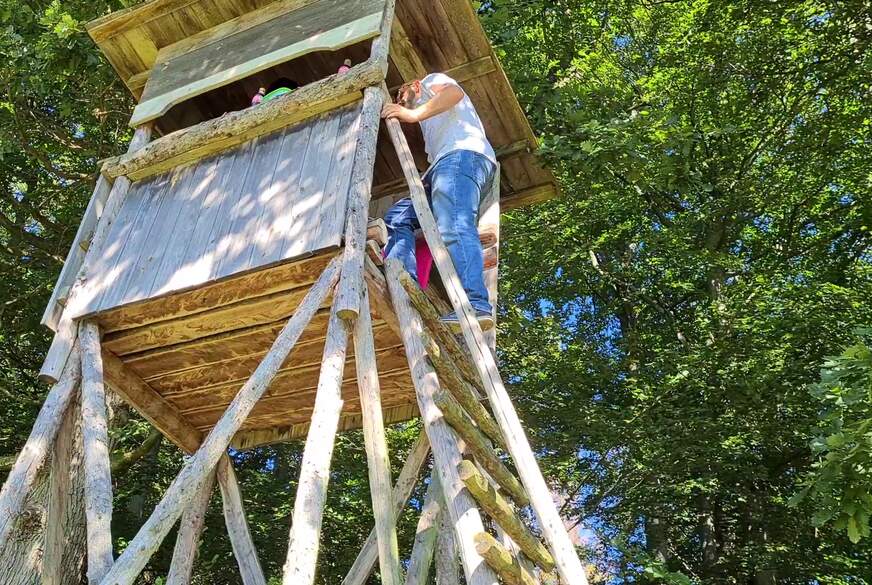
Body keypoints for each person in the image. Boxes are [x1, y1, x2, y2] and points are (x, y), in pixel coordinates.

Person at [381, 73, 497, 331]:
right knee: (398, 218)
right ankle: (404, 280)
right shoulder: (431, 125)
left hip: (462, 155)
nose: (400, 101)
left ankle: (476, 303)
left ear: (414, 86)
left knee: (453, 223)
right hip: (443, 167)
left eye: (401, 94)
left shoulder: (429, 82)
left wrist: (411, 114)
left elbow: (454, 93)